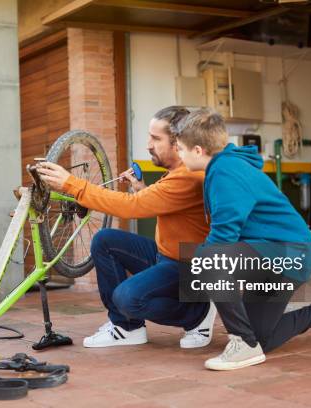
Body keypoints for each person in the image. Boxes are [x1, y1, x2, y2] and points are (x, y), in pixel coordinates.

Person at [174, 108, 311, 371]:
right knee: (262, 337)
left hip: (287, 254)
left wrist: (195, 272)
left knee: (208, 259)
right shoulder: (225, 166)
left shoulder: (225, 172)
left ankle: (242, 343)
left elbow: (222, 240)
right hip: (274, 254)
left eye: (180, 149)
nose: (179, 155)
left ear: (197, 150)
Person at [37, 106, 217, 348]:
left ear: (178, 143)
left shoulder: (188, 175)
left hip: (187, 267)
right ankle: (127, 328)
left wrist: (71, 184)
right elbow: (167, 204)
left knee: (127, 298)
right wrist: (142, 190)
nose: (148, 145)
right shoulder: (177, 172)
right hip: (166, 256)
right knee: (106, 240)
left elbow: (130, 207)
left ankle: (197, 314)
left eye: (155, 138)